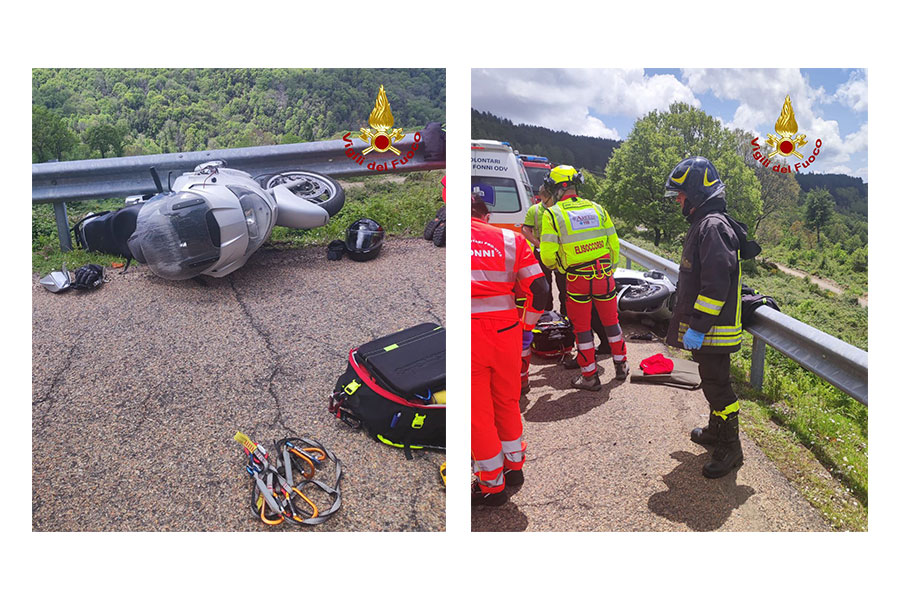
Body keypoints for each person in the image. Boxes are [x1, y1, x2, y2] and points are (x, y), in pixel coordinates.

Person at [664, 156, 745, 479]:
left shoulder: (712, 226)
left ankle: (731, 448)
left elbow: (716, 285)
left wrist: (697, 327)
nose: (679, 201)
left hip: (713, 330)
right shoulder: (707, 222)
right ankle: (716, 430)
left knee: (719, 388)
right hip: (708, 330)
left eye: (681, 195)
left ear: (697, 193)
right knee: (712, 385)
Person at [471, 188, 549, 506]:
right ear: (485, 216)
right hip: (506, 331)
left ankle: (492, 487)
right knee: (506, 400)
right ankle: (514, 468)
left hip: (470, 335)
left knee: (477, 414)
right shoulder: (510, 239)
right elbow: (540, 289)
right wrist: (527, 327)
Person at [539, 165, 629, 391]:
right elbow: (614, 246)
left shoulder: (553, 213)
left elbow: (548, 257)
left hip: (577, 278)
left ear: (556, 189)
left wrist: (563, 266)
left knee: (583, 328)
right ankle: (621, 366)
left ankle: (589, 376)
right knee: (612, 322)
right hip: (604, 275)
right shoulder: (598, 209)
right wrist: (609, 269)